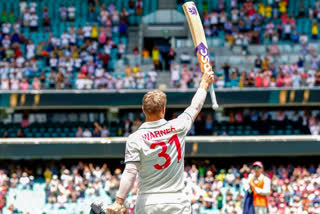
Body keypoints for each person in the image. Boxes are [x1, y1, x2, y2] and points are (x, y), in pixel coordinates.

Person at [106, 70, 214, 214]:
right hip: (177, 200)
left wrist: (119, 201)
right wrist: (204, 83)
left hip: (148, 202)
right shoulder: (178, 125)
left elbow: (131, 171)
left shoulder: (135, 138)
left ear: (143, 109)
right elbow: (195, 106)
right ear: (164, 109)